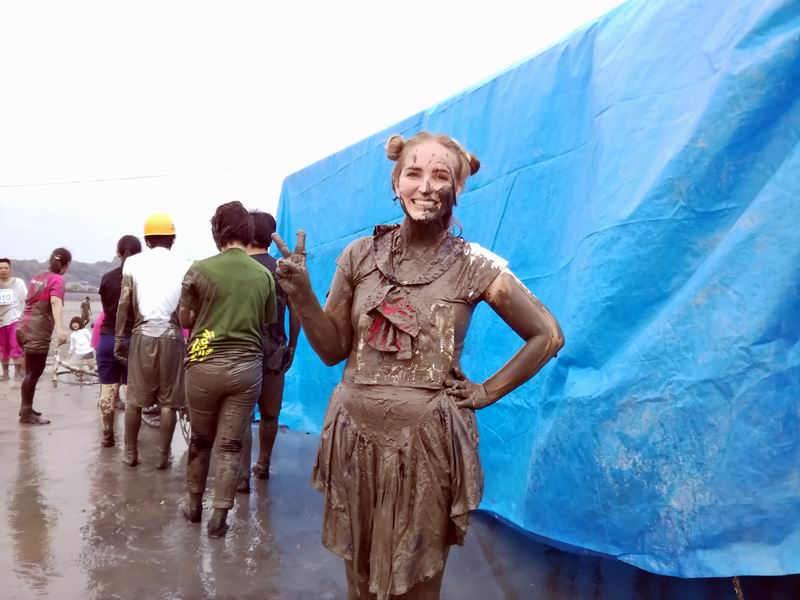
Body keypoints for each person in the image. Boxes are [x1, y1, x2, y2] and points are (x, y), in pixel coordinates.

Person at [272, 132, 565, 599]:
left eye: (440, 175)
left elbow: (547, 335)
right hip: (355, 437)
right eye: (414, 173)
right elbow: (332, 350)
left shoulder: (475, 264)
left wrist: (485, 392)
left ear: (456, 189)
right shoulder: (358, 256)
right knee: (360, 576)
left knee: (420, 578)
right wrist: (303, 295)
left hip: (428, 440)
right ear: (395, 182)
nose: (425, 186)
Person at [179, 201, 276, 537]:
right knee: (231, 443)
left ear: (217, 231)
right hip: (247, 368)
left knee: (201, 440)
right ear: (247, 232)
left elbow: (184, 319)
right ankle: (220, 515)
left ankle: (193, 505)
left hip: (204, 365)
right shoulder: (264, 274)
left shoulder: (199, 269)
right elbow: (267, 321)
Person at [115, 214, 191, 468]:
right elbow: (189, 309)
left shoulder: (132, 263)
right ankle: (161, 456)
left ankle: (130, 453)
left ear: (147, 240)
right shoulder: (185, 264)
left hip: (142, 335)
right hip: (172, 337)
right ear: (173, 239)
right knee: (169, 403)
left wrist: (118, 339)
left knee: (135, 399)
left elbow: (124, 304)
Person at [237, 210, 300, 492]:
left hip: (241, 350)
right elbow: (296, 311)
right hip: (275, 348)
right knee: (270, 414)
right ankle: (262, 465)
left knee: (241, 414)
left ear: (247, 234)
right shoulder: (281, 269)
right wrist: (292, 346)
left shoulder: (237, 269)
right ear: (271, 237)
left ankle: (241, 475)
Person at [17, 248, 72, 425]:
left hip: (22, 326)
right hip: (37, 331)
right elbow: (55, 301)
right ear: (66, 265)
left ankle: (26, 408)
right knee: (33, 373)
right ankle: (26, 412)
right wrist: (61, 329)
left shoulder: (38, 275)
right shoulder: (58, 279)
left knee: (31, 372)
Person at [97, 235, 142, 447]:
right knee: (131, 391)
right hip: (133, 339)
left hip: (106, 338)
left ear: (117, 252)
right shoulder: (143, 279)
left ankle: (107, 436)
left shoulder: (106, 278)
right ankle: (130, 441)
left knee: (108, 389)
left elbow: (107, 309)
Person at [0, 258, 28, 381]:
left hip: (14, 319)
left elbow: (26, 299)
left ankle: (17, 373)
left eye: (6, 268)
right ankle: (5, 373)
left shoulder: (18, 282)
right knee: (2, 347)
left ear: (10, 269)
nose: (3, 270)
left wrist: (26, 317)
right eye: (0, 268)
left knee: (15, 346)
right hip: (1, 321)